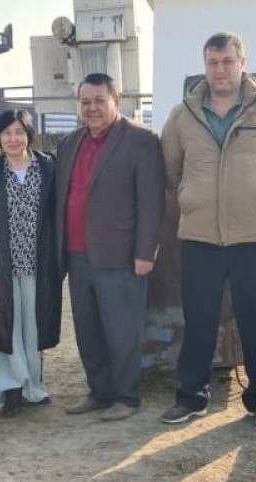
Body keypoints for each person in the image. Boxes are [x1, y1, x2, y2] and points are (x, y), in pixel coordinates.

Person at [159, 33, 256, 430]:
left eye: (227, 61)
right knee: (199, 319)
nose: (220, 69)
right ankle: (191, 396)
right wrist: (190, 196)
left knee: (253, 319)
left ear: (242, 62)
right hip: (200, 238)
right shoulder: (183, 115)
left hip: (252, 238)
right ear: (205, 65)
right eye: (213, 62)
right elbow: (169, 169)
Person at [56, 73, 164, 422]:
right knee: (88, 331)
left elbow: (151, 202)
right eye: (85, 102)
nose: (92, 108)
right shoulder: (69, 143)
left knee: (122, 331)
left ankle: (127, 397)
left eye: (99, 100)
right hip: (77, 255)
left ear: (117, 101)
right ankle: (99, 392)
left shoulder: (141, 141)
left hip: (121, 257)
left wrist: (145, 252)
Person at [0, 109, 61, 417]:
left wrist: (60, 259)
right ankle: (10, 390)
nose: (13, 139)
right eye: (7, 133)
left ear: (29, 136)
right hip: (0, 265)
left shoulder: (48, 169)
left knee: (33, 327)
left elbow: (58, 218)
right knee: (4, 325)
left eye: (19, 132)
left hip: (38, 263)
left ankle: (33, 387)